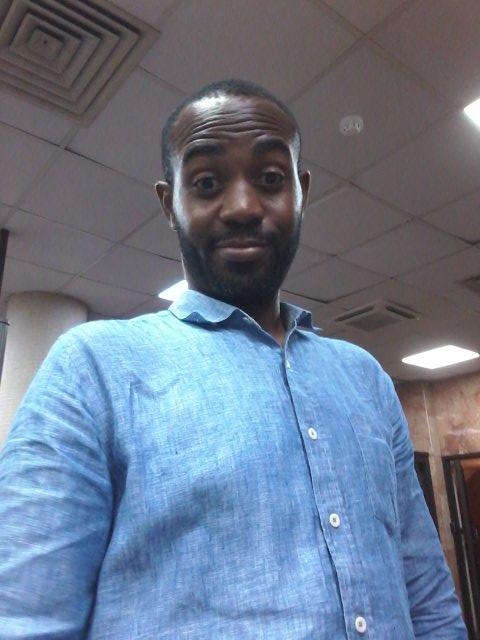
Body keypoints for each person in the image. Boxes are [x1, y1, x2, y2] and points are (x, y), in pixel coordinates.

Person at [0, 79, 467, 639]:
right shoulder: (93, 369)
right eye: (206, 182)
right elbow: (26, 619)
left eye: (270, 179)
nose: (244, 207)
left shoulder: (366, 378)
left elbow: (428, 599)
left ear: (301, 192)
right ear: (169, 203)